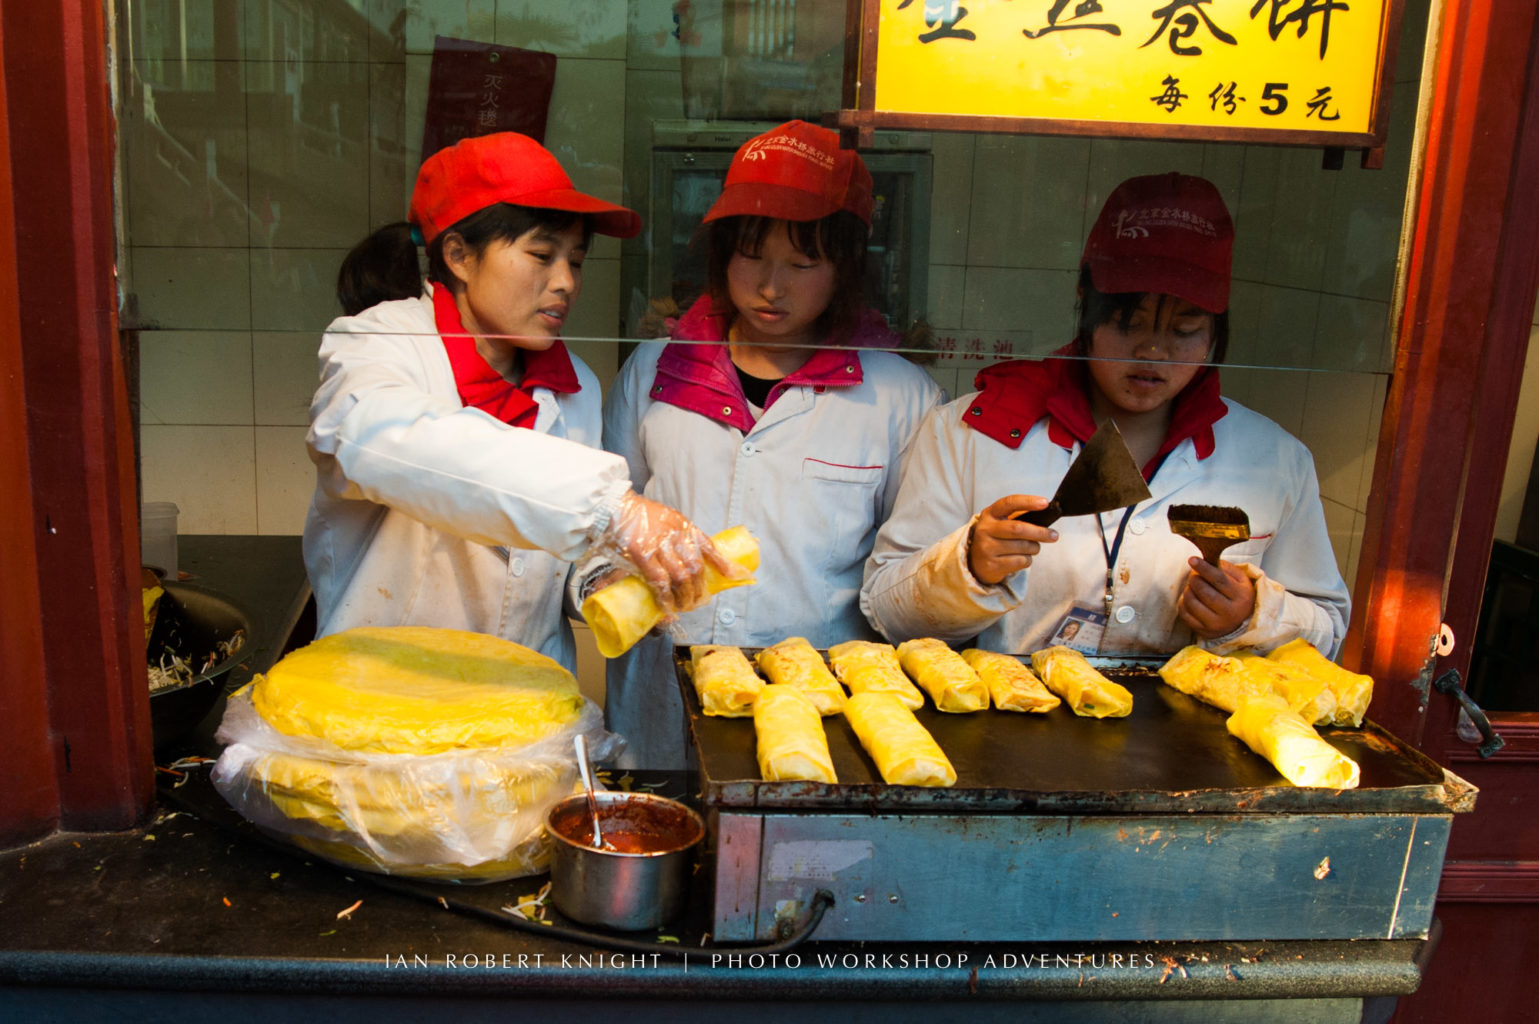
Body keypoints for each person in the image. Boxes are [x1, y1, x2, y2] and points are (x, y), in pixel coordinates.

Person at [862, 172, 1349, 658]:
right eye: (1128, 323)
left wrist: (1254, 617)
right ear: (1084, 301)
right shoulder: (971, 432)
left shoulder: (1274, 459)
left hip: (1194, 732)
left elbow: (1329, 630)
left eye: (1184, 329)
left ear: (1217, 326)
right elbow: (887, 614)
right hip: (1008, 719)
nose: (1153, 351)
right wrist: (967, 565)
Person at [304, 131, 731, 674]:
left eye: (575, 261)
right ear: (458, 255)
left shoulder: (574, 385)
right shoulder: (378, 345)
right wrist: (611, 508)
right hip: (385, 698)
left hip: (526, 708)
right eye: (541, 255)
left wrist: (601, 576)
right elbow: (388, 443)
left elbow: (551, 552)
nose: (565, 283)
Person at [598, 120, 942, 767]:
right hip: (656, 716)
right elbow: (607, 524)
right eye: (752, 255)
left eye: (802, 262)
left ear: (843, 268)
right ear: (722, 253)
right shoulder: (652, 371)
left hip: (814, 722)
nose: (770, 285)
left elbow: (906, 573)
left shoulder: (899, 399)